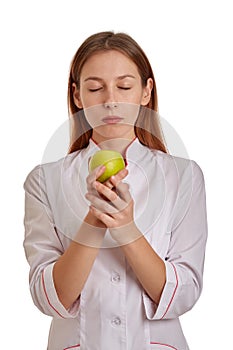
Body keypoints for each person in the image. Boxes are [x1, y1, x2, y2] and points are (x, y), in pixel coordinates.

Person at [23, 31, 208, 350]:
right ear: (77, 95)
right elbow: (48, 297)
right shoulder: (45, 180)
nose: (110, 100)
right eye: (95, 88)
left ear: (146, 92)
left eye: (124, 86)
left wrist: (126, 228)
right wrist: (94, 222)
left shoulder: (184, 176)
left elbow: (184, 292)